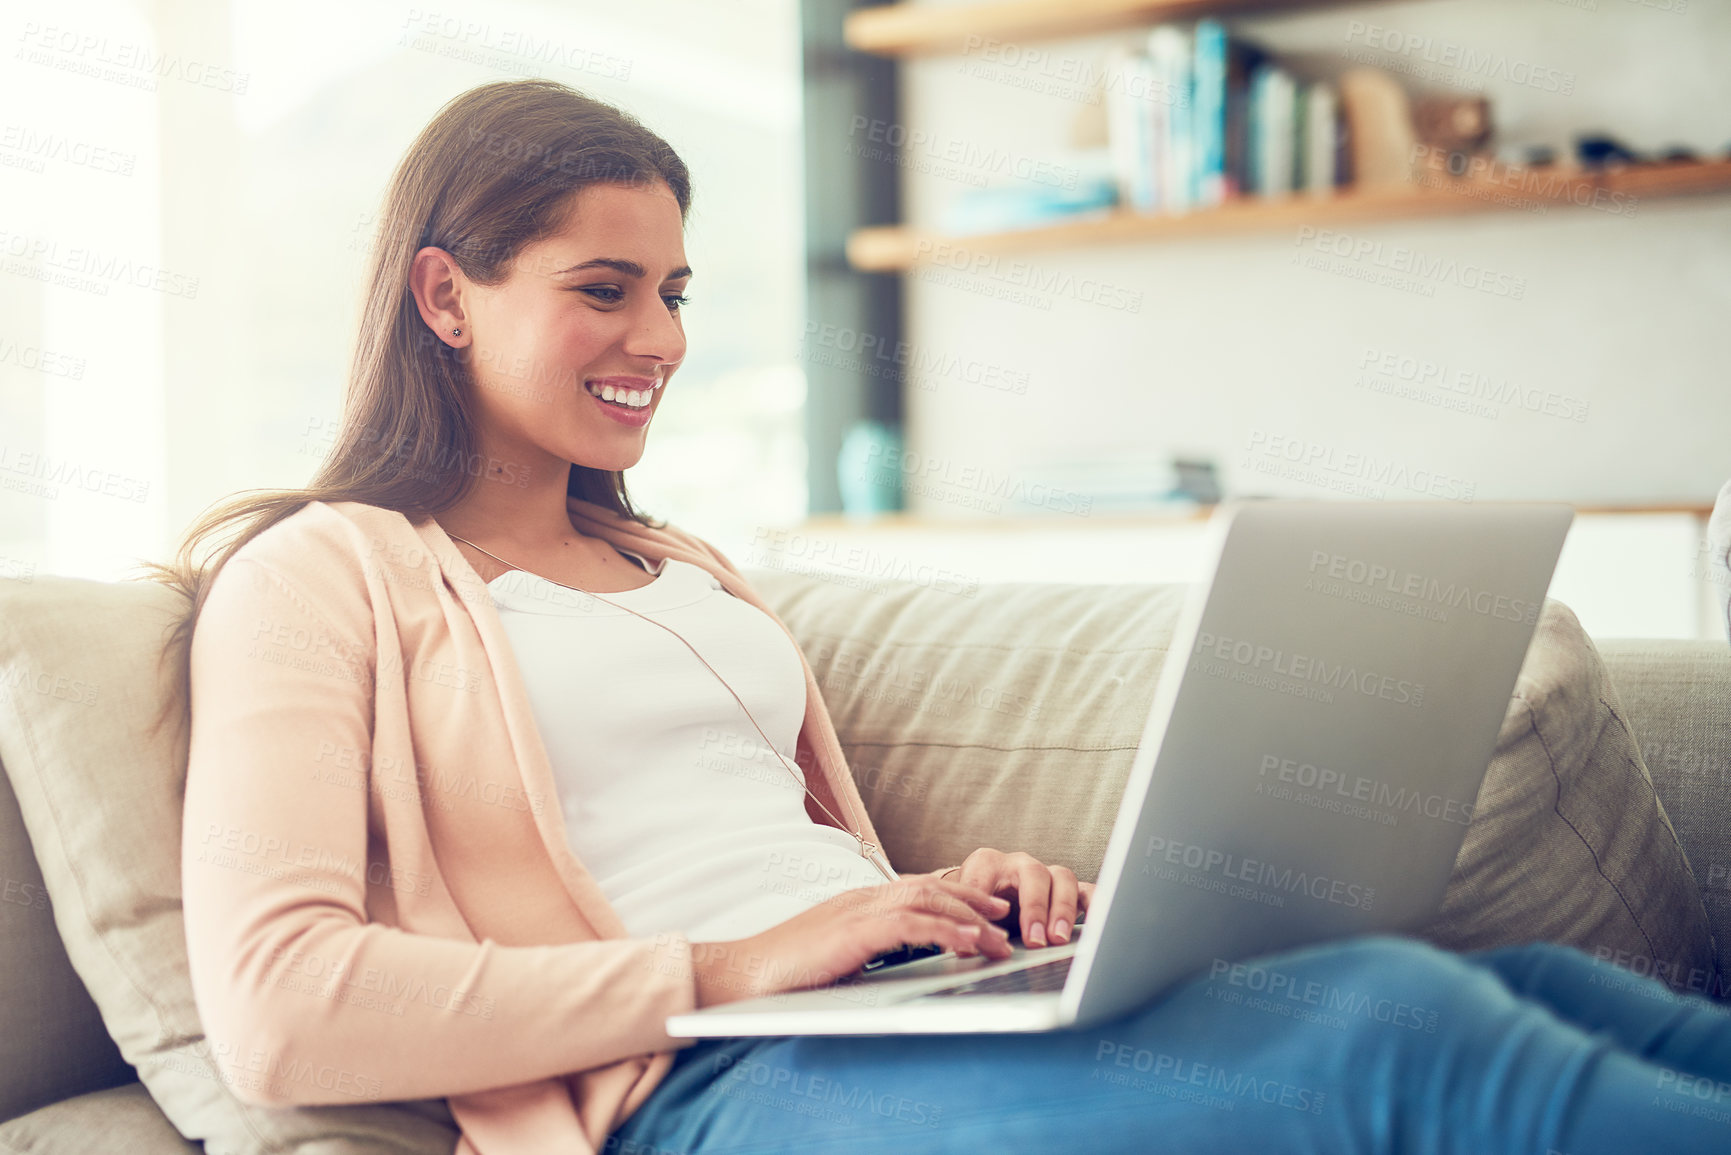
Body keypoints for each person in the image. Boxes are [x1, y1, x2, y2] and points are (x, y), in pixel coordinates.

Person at [154, 79, 1731, 1155]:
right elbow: (284, 1010)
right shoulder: (319, 574)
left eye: (678, 293)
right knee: (1404, 1035)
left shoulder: (684, 562)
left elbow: (757, 846)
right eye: (604, 287)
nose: (660, 338)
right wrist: (739, 965)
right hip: (712, 1091)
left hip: (899, 1010)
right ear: (445, 299)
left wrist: (937, 897)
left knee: (1538, 986)